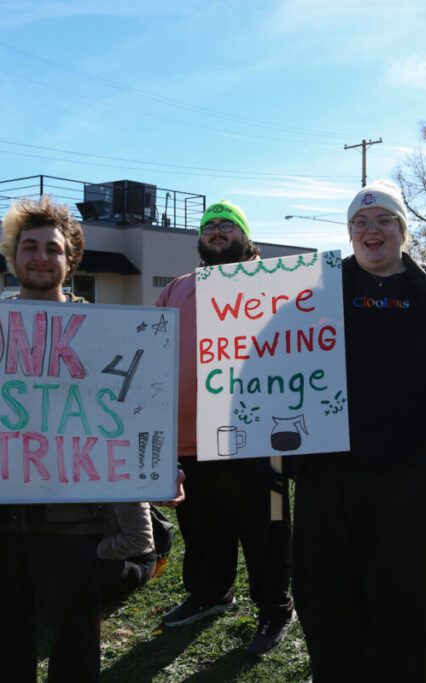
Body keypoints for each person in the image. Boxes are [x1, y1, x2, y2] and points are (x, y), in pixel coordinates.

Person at [0, 195, 183, 682]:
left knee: (76, 650)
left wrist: (155, 471)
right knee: (2, 646)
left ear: (71, 259)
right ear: (13, 257)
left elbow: (133, 414)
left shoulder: (107, 334)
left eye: (52, 249)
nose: (40, 257)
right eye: (29, 246)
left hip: (75, 526)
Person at [291, 179, 426, 681]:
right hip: (329, 484)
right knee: (330, 608)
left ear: (403, 230)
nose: (372, 230)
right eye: (360, 223)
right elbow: (272, 362)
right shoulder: (315, 292)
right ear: (349, 233)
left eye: (384, 220)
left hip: (417, 484)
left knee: (407, 614)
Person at [156, 200, 295, 656]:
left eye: (227, 225)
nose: (217, 231)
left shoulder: (274, 283)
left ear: (245, 235)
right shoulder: (177, 287)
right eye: (209, 225)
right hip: (190, 437)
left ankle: (275, 606)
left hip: (261, 437)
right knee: (202, 526)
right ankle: (209, 593)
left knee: (268, 523)